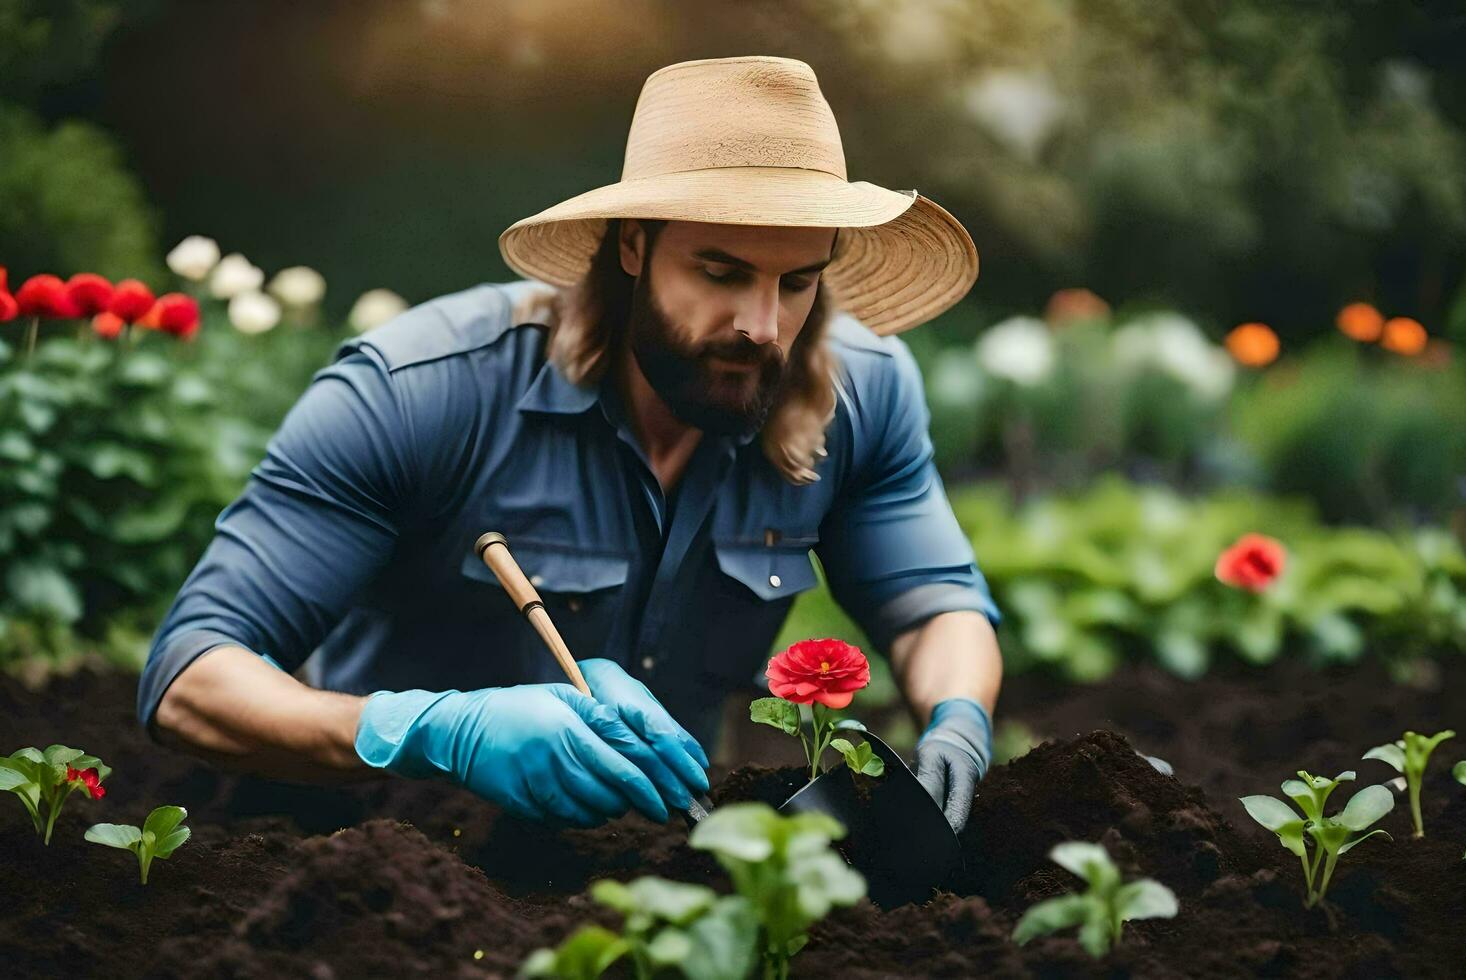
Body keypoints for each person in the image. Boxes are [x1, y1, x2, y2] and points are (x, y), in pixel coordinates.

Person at [139, 55, 1002, 834]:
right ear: (633, 244)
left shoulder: (861, 392)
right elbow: (190, 678)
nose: (761, 326)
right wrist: (440, 732)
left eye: (798, 282)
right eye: (721, 271)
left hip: (660, 867)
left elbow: (935, 606)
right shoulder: (423, 389)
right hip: (387, 865)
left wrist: (959, 720)